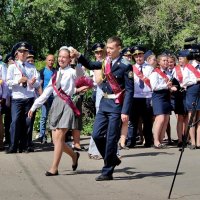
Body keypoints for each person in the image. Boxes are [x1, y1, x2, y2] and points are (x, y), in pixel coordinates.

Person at [71, 36, 134, 181]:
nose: (108, 50)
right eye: (108, 47)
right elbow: (90, 64)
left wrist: (125, 111)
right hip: (105, 102)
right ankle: (111, 158)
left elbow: (130, 91)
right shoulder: (105, 62)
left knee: (111, 138)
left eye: (111, 48)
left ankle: (107, 171)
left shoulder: (126, 65)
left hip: (117, 105)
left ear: (119, 48)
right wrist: (79, 55)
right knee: (97, 135)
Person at [28, 47, 87, 176]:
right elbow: (46, 92)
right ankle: (74, 155)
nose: (61, 59)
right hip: (56, 104)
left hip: (68, 105)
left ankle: (54, 168)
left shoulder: (72, 71)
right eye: (60, 56)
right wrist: (34, 106)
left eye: (64, 57)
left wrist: (76, 58)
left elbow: (81, 75)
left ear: (69, 59)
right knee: (56, 140)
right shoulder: (55, 74)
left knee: (60, 136)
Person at [6, 42, 40, 153]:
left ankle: (25, 145)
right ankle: (13, 146)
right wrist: (18, 81)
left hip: (29, 98)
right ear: (16, 54)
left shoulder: (31, 67)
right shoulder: (12, 67)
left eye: (25, 51)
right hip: (17, 98)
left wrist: (34, 82)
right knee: (15, 121)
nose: (23, 53)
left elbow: (37, 83)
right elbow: (8, 82)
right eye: (21, 51)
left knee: (28, 122)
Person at [126, 45, 153, 148]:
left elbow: (152, 82)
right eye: (136, 56)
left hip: (147, 97)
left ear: (143, 56)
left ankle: (148, 141)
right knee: (133, 121)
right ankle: (131, 141)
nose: (138, 58)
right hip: (135, 97)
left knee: (147, 121)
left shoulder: (150, 68)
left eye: (140, 55)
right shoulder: (131, 68)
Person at [149, 54, 176, 148]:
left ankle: (160, 140)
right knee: (160, 119)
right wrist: (167, 86)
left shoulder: (169, 73)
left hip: (166, 96)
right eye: (164, 60)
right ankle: (156, 141)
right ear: (159, 62)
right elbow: (154, 87)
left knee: (166, 119)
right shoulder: (155, 73)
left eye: (167, 61)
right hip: (158, 96)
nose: (166, 62)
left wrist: (171, 88)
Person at [88, 43, 105, 159]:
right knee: (99, 123)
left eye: (100, 52)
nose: (99, 54)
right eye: (97, 52)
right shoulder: (96, 65)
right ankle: (93, 150)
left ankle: (112, 151)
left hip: (111, 95)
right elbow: (98, 81)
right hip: (100, 94)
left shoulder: (108, 62)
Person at [37, 54, 56, 143]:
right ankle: (42, 136)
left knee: (53, 117)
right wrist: (42, 96)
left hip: (54, 97)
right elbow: (39, 84)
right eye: (49, 60)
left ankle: (53, 137)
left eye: (52, 60)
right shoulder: (42, 71)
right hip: (45, 96)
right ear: (46, 61)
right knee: (44, 117)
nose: (51, 62)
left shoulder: (56, 71)